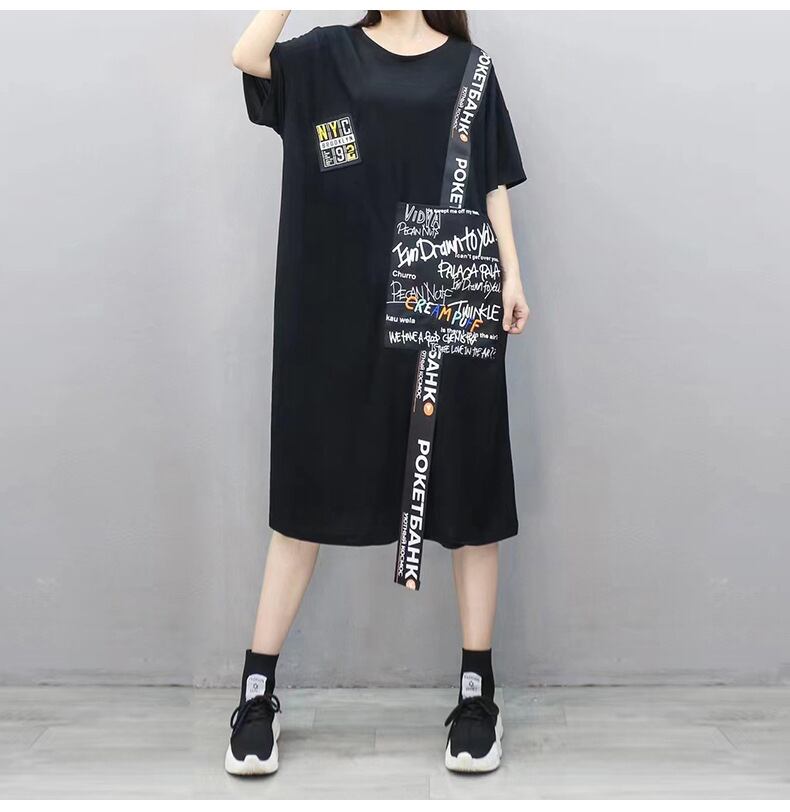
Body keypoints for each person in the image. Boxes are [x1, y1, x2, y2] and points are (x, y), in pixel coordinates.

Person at [227, 9, 529, 775]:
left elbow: (492, 175)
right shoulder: (326, 54)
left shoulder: (471, 68)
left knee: (469, 495)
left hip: (445, 282)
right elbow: (248, 55)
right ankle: (256, 696)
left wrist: (512, 275)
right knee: (305, 493)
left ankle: (477, 695)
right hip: (334, 300)